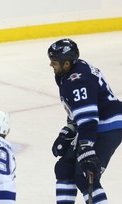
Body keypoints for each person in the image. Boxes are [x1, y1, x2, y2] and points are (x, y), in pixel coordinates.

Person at [48, 38, 122, 204]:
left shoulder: (77, 80)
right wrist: (68, 131)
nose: (51, 65)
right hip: (94, 125)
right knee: (64, 169)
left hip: (108, 126)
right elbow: (78, 110)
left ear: (66, 63)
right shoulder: (68, 73)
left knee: (85, 176)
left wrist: (86, 146)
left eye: (54, 62)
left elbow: (88, 117)